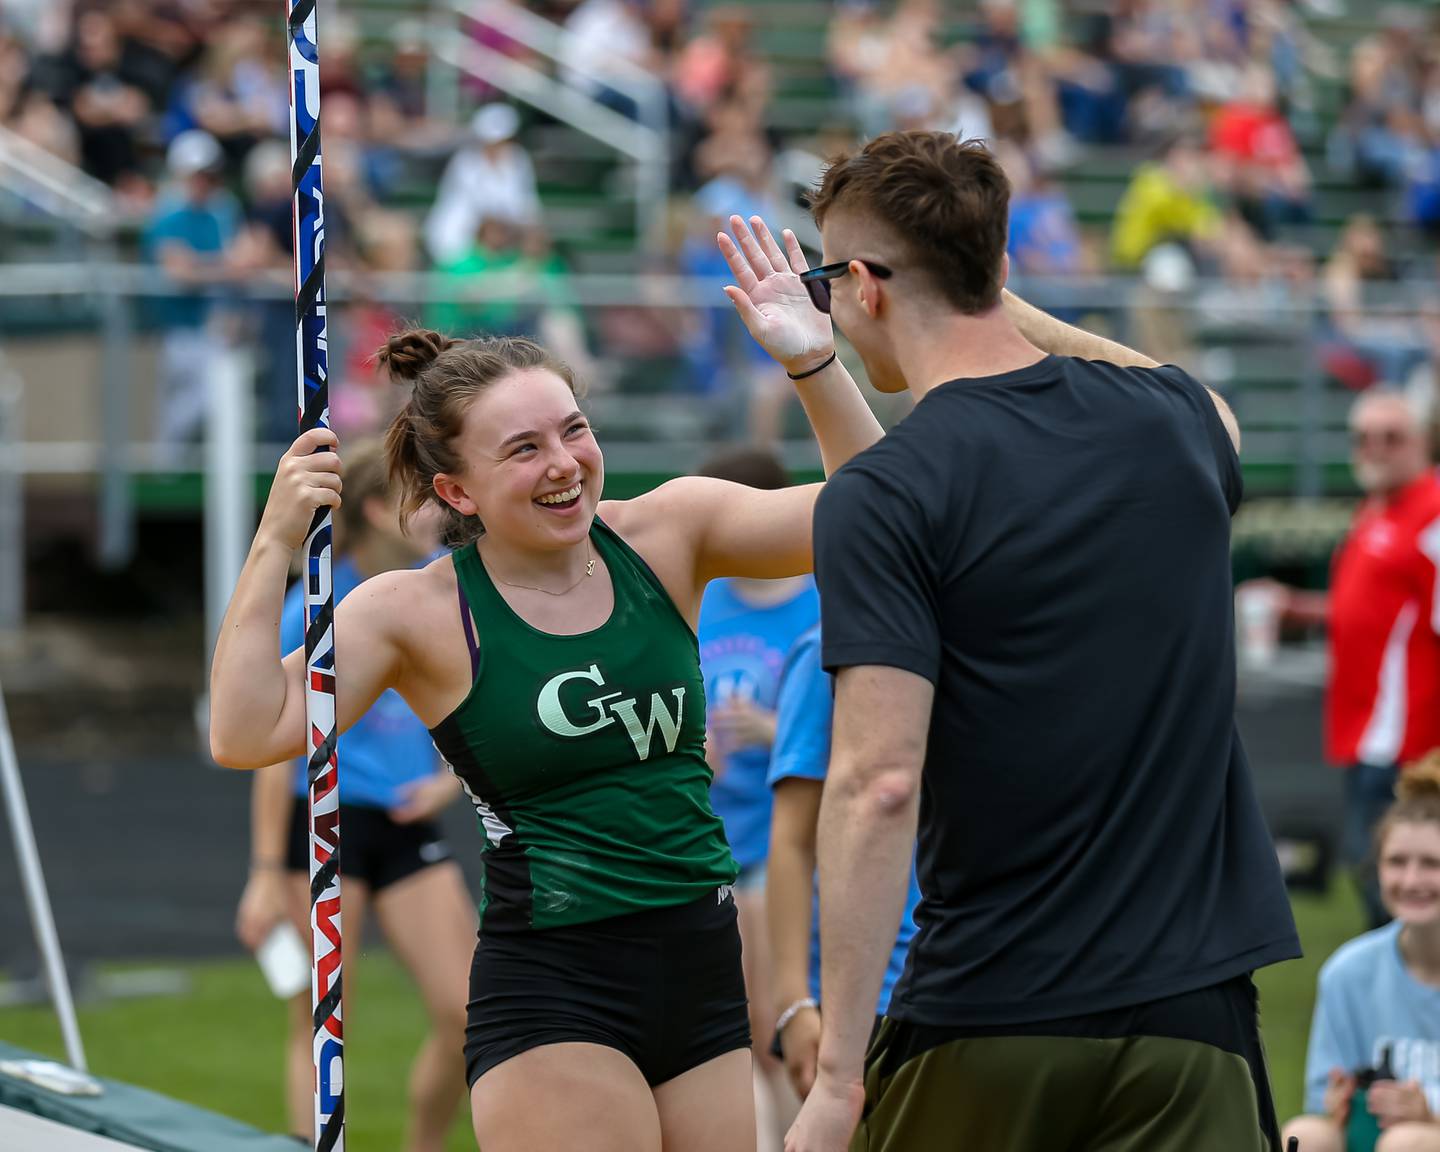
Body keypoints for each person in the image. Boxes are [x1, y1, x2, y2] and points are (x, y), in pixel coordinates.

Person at [209, 215, 884, 1152]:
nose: (564, 465)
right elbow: (246, 730)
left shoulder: (669, 531)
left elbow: (880, 518)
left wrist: (815, 363)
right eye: (522, 450)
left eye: (573, 430)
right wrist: (276, 538)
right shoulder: (417, 611)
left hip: (700, 963)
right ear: (456, 492)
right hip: (556, 987)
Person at [782, 130, 1300, 1152]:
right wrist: (984, 289)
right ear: (999, 270)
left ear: (864, 287)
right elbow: (1216, 414)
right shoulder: (1169, 427)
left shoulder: (885, 491)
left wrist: (838, 1075)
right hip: (1194, 1018)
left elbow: (879, 783)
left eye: (822, 281)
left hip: (988, 1016)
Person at [232, 441, 475, 1152]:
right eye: (418, 499)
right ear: (375, 511)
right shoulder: (315, 598)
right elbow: (270, 752)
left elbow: (464, 698)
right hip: (327, 824)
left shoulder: (442, 587)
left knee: (468, 1013)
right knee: (323, 1022)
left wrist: (450, 780)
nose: (435, 512)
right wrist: (264, 873)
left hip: (403, 826)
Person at [1244, 390, 1440, 929]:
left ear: (1422, 441)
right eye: (1363, 438)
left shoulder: (1433, 514)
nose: (1375, 449)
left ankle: (1411, 1002)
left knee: (1401, 885)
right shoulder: (1377, 508)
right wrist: (1298, 609)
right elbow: (1367, 611)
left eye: (1391, 437)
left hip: (1410, 740)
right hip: (1366, 730)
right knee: (1381, 877)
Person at [695, 446, 820, 1147]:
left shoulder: (819, 598)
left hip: (788, 838)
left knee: (781, 1024)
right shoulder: (704, 597)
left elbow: (854, 727)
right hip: (716, 839)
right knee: (735, 1030)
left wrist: (774, 729)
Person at [764, 624, 920, 1102]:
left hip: (972, 976)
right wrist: (793, 1002)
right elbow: (791, 841)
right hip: (860, 995)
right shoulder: (825, 651)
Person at [1281, 755, 1440, 1152]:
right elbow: (1323, 1097)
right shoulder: (1348, 972)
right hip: (1379, 1137)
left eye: (1431, 864)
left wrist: (1429, 1109)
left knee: (1407, 1142)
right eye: (1397, 863)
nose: (1411, 880)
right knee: (1306, 1135)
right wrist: (1340, 1102)